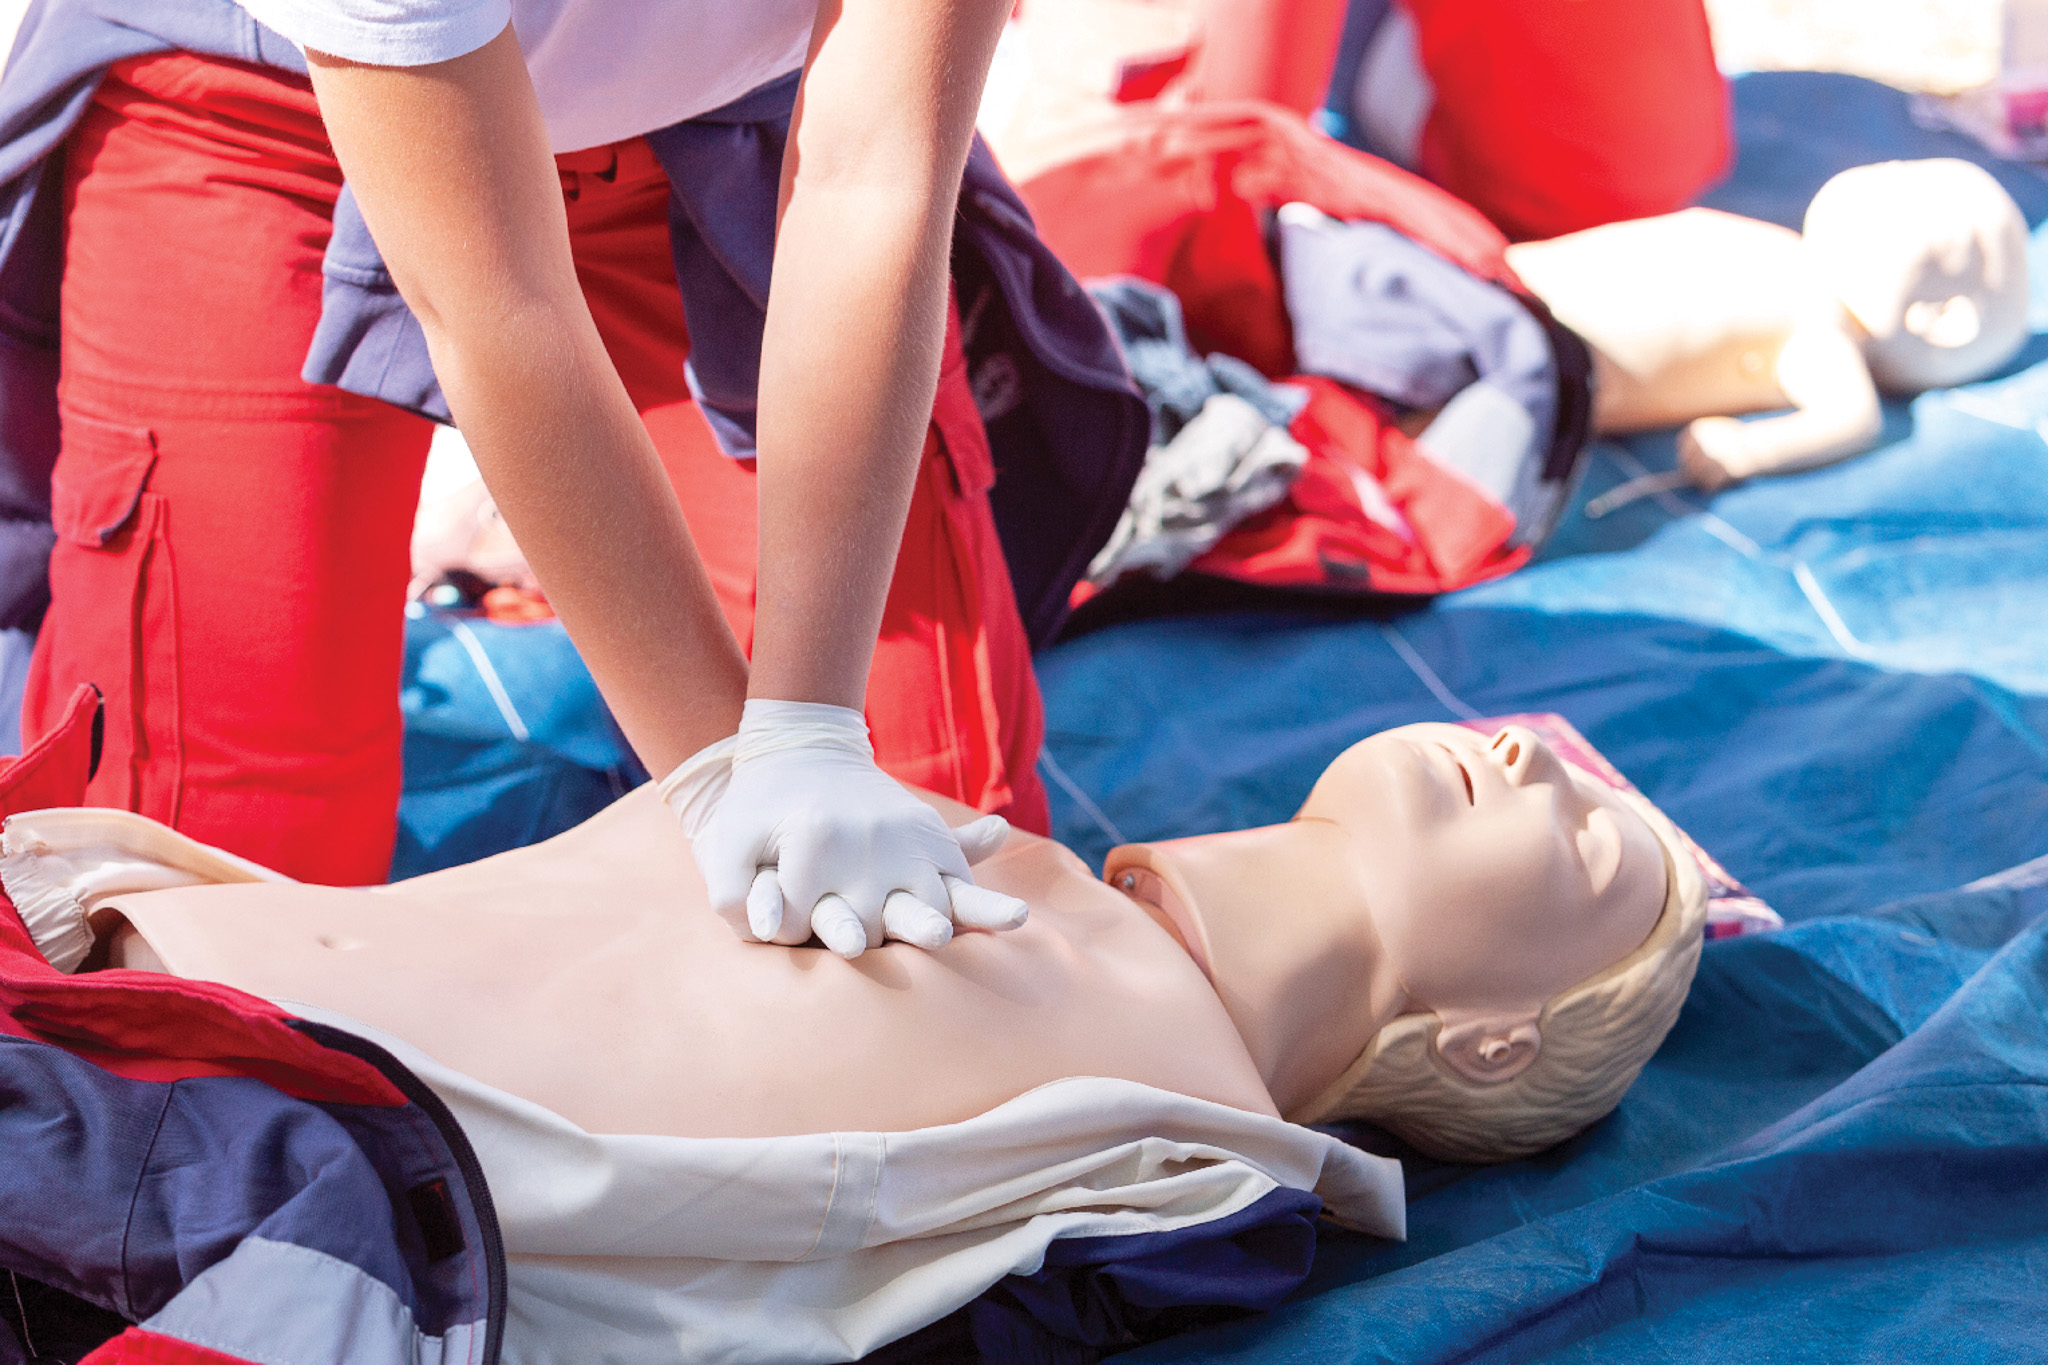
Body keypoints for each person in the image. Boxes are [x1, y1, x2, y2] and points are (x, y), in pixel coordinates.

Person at [0, 0, 1148, 957]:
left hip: (743, 118)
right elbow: (495, 302)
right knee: (196, 918)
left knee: (942, 868)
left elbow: (870, 177)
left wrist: (804, 732)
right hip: (265, 117)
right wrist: (715, 774)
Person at [8, 719, 1708, 1360]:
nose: (1545, 762)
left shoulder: (1198, 1177)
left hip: (207, 1194)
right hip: (78, 955)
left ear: (1489, 1046)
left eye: (1586, 848)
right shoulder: (949, 816)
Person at [1502, 158, 2030, 493]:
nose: (1894, 173)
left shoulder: (1824, 331)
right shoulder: (1792, 258)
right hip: (1521, 285)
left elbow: (1851, 419)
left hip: (1542, 354)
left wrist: (1751, 450)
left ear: (1942, 321)